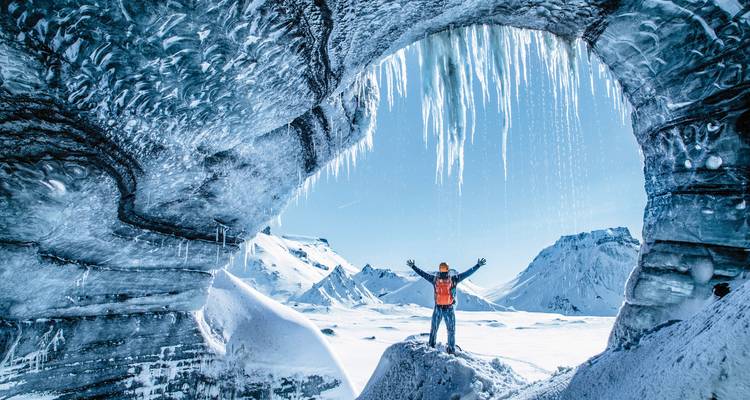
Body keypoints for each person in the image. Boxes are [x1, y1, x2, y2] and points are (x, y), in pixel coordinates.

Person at [406, 258, 487, 354]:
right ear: (448, 270)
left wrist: (413, 267)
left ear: (439, 270)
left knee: (434, 329)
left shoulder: (435, 279)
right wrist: (478, 265)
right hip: (449, 308)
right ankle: (451, 350)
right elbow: (467, 273)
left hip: (438, 308)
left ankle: (431, 346)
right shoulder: (454, 279)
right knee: (451, 331)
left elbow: (423, 274)